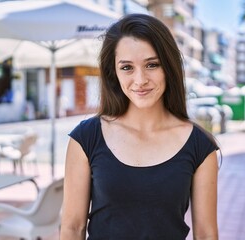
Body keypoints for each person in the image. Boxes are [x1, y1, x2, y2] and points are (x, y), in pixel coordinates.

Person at [60, 13, 219, 240]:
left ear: (169, 67)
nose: (140, 79)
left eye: (152, 64)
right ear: (113, 72)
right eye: (127, 67)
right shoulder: (86, 138)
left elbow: (206, 234)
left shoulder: (200, 146)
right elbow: (72, 228)